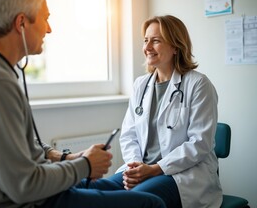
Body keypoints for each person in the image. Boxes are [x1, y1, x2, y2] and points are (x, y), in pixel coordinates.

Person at [0, 0, 167, 208]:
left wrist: (66, 157)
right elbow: (25, 186)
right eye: (45, 18)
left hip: (10, 192)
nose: (49, 29)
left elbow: (15, 148)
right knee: (151, 204)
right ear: (21, 23)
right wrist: (86, 165)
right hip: (18, 202)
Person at [82, 15, 223, 208]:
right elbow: (129, 135)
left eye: (155, 40)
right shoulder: (141, 84)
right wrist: (136, 166)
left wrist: (154, 169)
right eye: (146, 40)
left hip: (180, 174)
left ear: (176, 46)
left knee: (134, 200)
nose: (147, 47)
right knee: (90, 189)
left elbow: (199, 144)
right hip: (143, 169)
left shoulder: (198, 84)